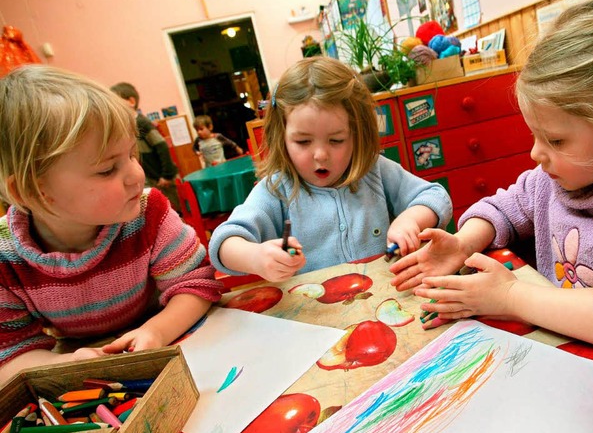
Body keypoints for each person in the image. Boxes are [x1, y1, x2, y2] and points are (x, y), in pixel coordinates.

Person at [390, 0, 593, 362]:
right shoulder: (551, 180)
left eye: (555, 140)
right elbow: (503, 207)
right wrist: (463, 243)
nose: (536, 154)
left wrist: (510, 297)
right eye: (534, 135)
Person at [0, 65, 224, 383]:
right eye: (108, 169)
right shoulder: (5, 259)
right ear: (35, 191)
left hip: (170, 340)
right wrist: (68, 365)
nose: (137, 175)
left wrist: (156, 331)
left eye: (132, 155)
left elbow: (196, 284)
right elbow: (11, 354)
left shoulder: (149, 212)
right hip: (83, 374)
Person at [208, 56, 452, 282]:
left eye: (336, 140)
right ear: (281, 138)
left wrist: (410, 219)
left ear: (358, 134)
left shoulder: (375, 170)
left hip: (386, 300)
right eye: (303, 142)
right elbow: (223, 242)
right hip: (318, 317)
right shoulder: (276, 190)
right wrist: (256, 257)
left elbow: (435, 196)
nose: (320, 155)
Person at [109, 82, 181, 212]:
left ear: (131, 101)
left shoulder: (142, 123)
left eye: (116, 101)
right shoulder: (127, 125)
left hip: (162, 176)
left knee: (174, 208)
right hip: (150, 177)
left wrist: (166, 175)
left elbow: (162, 146)